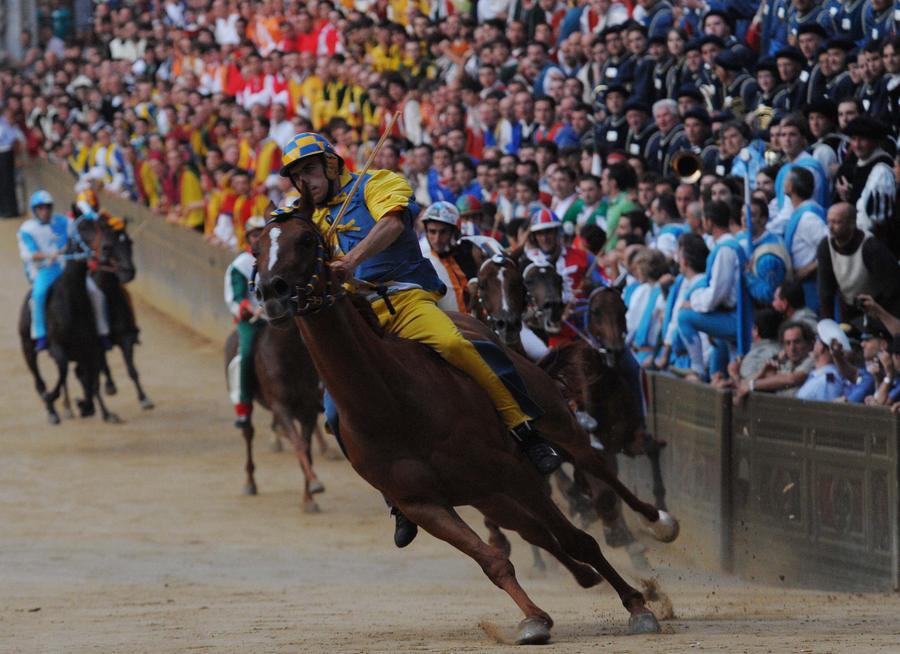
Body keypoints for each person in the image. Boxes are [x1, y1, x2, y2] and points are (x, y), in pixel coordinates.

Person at [273, 132, 562, 540]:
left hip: (404, 296)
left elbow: (392, 223)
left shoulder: (377, 183)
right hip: (358, 316)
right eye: (297, 176)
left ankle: (524, 430)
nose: (305, 181)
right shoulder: (303, 212)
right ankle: (395, 495)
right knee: (336, 413)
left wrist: (352, 260)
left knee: (456, 344)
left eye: (309, 170)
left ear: (330, 165)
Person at [677, 200, 753, 380]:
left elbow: (717, 294)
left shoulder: (725, 249)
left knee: (684, 316)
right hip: (727, 313)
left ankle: (697, 369)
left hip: (735, 318)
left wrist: (693, 303)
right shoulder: (724, 246)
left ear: (709, 221)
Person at [817, 202, 900, 323]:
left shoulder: (871, 247)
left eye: (836, 222)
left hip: (879, 308)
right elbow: (826, 292)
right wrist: (827, 328)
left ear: (851, 224)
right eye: (829, 222)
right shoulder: (825, 247)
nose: (830, 227)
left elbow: (893, 287)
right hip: (848, 308)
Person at [225, 216, 267, 428]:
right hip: (252, 320)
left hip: (278, 316)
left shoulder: (276, 256)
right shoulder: (240, 265)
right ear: (248, 238)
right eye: (254, 234)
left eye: (261, 232)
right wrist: (251, 309)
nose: (258, 237)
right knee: (247, 353)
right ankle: (244, 406)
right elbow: (238, 296)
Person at [17, 191, 70, 351]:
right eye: (40, 208)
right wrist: (48, 255)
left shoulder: (62, 221)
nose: (44, 211)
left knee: (93, 289)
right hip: (44, 270)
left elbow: (76, 234)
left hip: (65, 266)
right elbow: (30, 254)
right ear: (35, 210)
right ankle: (40, 334)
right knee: (38, 295)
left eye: (47, 207)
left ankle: (102, 331)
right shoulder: (27, 229)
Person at [772, 167, 827, 312]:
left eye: (785, 180)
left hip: (811, 286)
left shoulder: (808, 217)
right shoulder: (800, 213)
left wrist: (807, 269)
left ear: (790, 187)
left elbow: (830, 247)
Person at [418, 201, 479, 313]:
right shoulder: (421, 261)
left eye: (443, 232)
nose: (437, 240)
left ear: (454, 232)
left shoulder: (466, 252)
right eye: (432, 232)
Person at [735, 320, 816, 400]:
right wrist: (762, 373)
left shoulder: (812, 359)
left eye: (797, 342)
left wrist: (752, 385)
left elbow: (791, 379)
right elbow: (744, 384)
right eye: (788, 343)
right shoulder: (784, 360)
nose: (792, 348)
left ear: (808, 344)